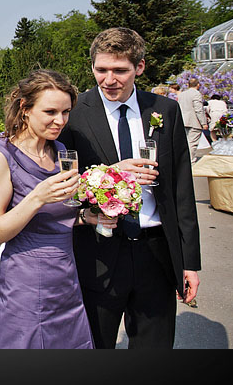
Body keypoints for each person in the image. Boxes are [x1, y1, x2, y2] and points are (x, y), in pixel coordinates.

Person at [58, 27, 201, 349]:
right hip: (97, 252)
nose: (109, 79)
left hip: (156, 252)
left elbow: (182, 190)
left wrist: (189, 262)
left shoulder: (165, 110)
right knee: (94, 345)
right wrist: (110, 174)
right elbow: (60, 185)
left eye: (120, 70)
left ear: (140, 67)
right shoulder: (74, 115)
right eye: (101, 70)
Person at [0, 69, 98, 349]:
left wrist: (85, 217)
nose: (60, 121)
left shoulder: (62, 151)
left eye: (66, 112)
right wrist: (37, 197)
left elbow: (56, 215)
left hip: (66, 281)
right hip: (26, 285)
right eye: (50, 111)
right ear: (24, 109)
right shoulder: (1, 158)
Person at [178, 77, 208, 163]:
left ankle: (182, 160)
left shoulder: (182, 94)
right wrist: (204, 123)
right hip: (193, 121)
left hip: (183, 120)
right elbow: (198, 109)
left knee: (184, 142)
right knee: (192, 143)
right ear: (198, 85)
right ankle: (190, 161)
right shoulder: (196, 94)